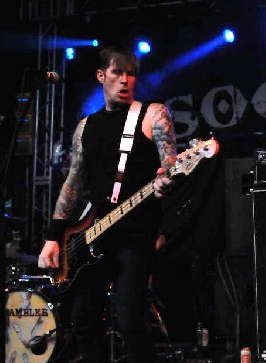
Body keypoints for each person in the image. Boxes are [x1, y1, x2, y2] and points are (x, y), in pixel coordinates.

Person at [38, 44, 177, 363]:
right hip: (92, 236)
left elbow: (170, 164)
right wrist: (53, 237)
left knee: (130, 321)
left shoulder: (153, 114)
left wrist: (168, 179)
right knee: (84, 320)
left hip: (136, 235)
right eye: (117, 73)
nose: (125, 80)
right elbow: (73, 184)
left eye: (131, 74)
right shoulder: (86, 127)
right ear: (101, 76)